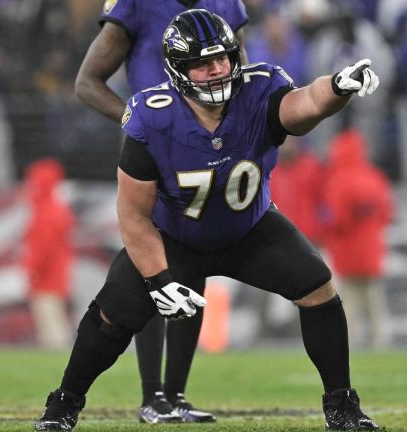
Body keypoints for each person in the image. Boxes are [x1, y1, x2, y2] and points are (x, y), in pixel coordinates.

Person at [35, 9, 380, 431]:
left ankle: (342, 406)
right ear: (178, 71)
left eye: (221, 58)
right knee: (113, 314)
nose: (216, 70)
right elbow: (133, 215)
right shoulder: (151, 115)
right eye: (201, 63)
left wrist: (339, 87)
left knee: (318, 287)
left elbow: (305, 104)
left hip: (248, 228)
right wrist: (158, 279)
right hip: (174, 235)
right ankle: (64, 403)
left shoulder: (259, 87)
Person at [74, 0, 248, 423]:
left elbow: (245, 75)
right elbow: (87, 82)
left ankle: (176, 394)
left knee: (195, 262)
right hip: (156, 156)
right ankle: (153, 395)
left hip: (207, 151)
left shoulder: (226, 4)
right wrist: (136, 120)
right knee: (150, 268)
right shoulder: (137, 4)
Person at [320, 128, 393, 349]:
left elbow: (338, 219)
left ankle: (347, 342)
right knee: (373, 298)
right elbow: (387, 214)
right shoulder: (375, 177)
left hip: (348, 250)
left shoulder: (338, 181)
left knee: (349, 299)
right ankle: (380, 340)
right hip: (372, 248)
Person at [22, 158, 76, 349]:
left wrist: (32, 270)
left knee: (50, 327)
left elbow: (41, 248)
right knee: (55, 321)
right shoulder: (57, 209)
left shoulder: (45, 212)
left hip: (45, 279)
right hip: (56, 275)